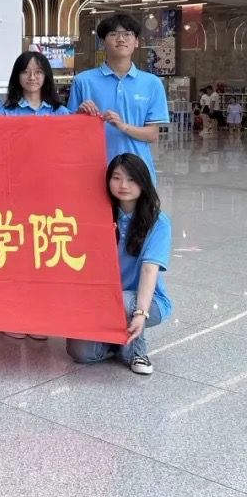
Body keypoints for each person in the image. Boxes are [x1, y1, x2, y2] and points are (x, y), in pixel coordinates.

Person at [66, 153, 172, 375]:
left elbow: (149, 270)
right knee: (80, 352)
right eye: (117, 178)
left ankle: (137, 352)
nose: (124, 185)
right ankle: (117, 343)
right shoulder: (98, 215)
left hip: (145, 302)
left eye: (132, 179)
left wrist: (140, 313)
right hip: (103, 300)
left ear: (144, 182)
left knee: (122, 301)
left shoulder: (158, 223)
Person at [1, 51, 70, 341]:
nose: (32, 77)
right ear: (17, 76)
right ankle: (14, 315)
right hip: (15, 195)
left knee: (43, 254)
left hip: (48, 196)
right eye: (26, 72)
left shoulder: (61, 113)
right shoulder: (6, 113)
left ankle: (39, 316)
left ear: (47, 77)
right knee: (17, 255)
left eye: (39, 72)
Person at [68, 13, 169, 183]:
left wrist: (123, 126)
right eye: (113, 34)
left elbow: (152, 135)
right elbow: (70, 133)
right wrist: (80, 116)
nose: (121, 39)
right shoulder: (83, 81)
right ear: (102, 42)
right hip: (93, 171)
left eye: (127, 34)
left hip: (137, 172)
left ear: (136, 42)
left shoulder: (152, 83)